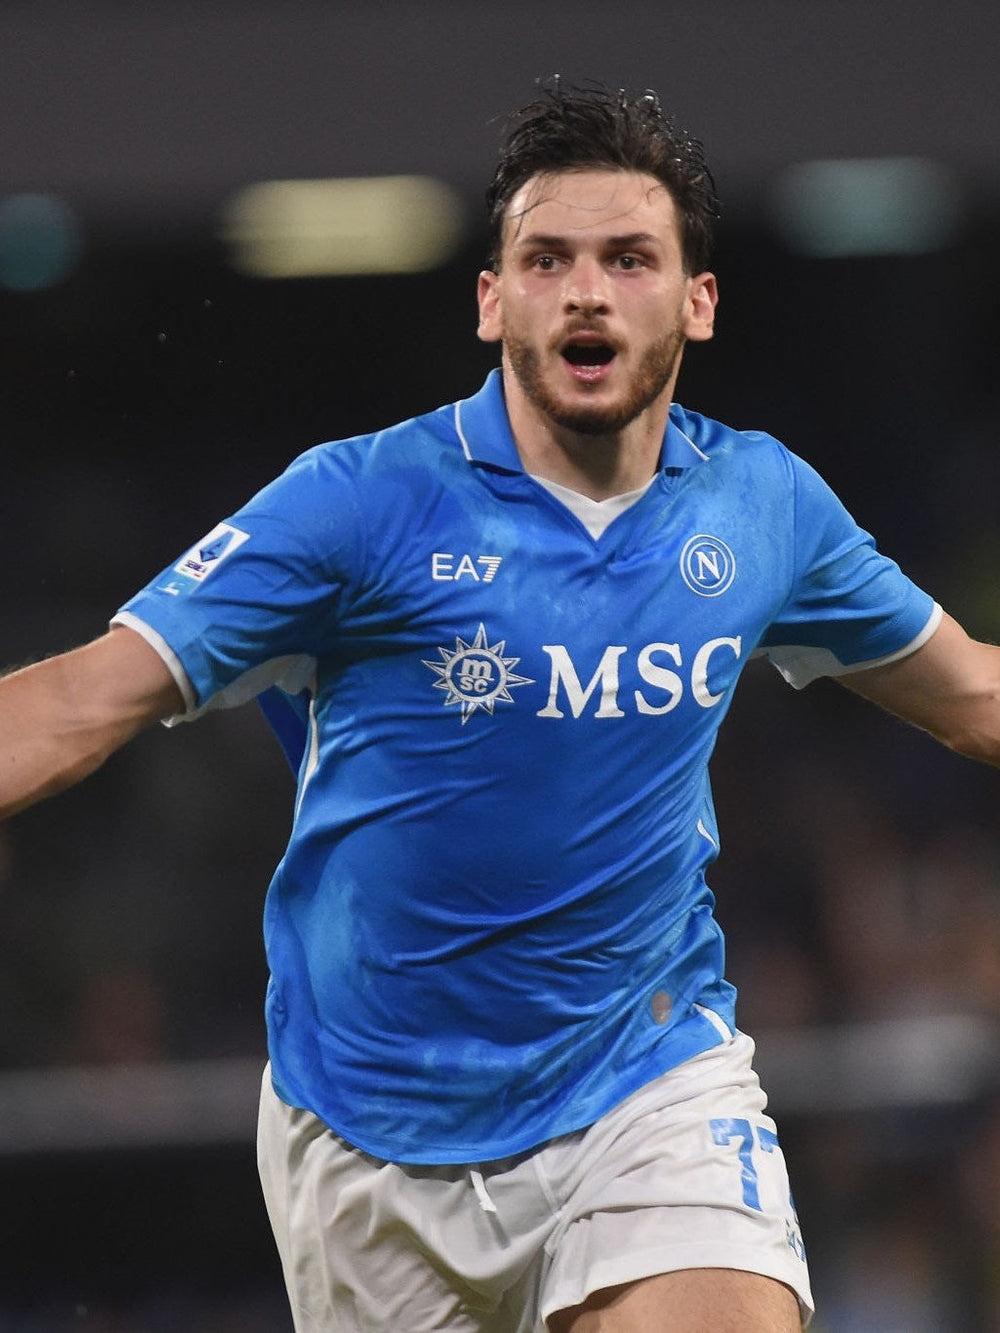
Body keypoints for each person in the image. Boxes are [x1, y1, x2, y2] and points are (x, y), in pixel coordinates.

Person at [2, 80, 998, 1333]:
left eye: (628, 258)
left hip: (644, 1084)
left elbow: (971, 692)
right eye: (547, 259)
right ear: (492, 300)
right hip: (372, 1136)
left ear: (696, 301)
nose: (586, 291)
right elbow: (83, 700)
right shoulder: (359, 504)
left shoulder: (762, 506)